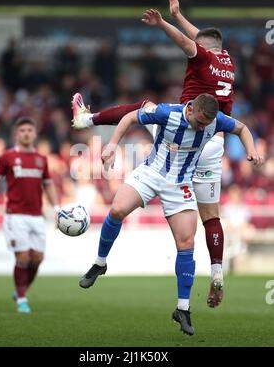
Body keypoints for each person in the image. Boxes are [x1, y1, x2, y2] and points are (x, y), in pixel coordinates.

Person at [71, 0, 235, 308]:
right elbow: (201, 38)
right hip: (215, 141)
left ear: (204, 47)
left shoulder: (201, 54)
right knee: (210, 215)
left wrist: (163, 23)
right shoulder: (226, 60)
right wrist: (178, 15)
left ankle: (86, 120)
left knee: (143, 109)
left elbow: (189, 43)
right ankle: (216, 272)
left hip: (190, 131)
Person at [78, 94, 263, 336]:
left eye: (207, 123)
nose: (203, 127)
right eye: (200, 122)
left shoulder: (215, 120)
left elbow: (242, 128)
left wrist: (252, 150)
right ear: (190, 110)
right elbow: (130, 117)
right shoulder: (167, 113)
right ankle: (99, 264)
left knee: (186, 243)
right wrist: (112, 145)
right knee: (117, 209)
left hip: (180, 184)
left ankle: (183, 309)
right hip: (151, 172)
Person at [0, 117, 60, 314]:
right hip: (15, 215)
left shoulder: (41, 160)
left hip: (36, 215)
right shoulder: (7, 157)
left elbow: (48, 185)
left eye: (29, 130)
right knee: (23, 257)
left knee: (37, 258)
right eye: (22, 130)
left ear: (34, 134)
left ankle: (21, 290)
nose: (26, 133)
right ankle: (22, 299)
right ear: (16, 134)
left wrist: (57, 209)